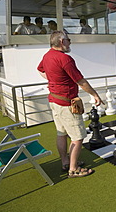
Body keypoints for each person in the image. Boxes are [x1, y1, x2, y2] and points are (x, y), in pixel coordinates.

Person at [37, 30, 104, 178]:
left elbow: (40, 70)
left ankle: (65, 162)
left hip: (54, 101)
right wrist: (95, 95)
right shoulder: (65, 59)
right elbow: (80, 81)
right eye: (68, 40)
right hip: (67, 104)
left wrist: (54, 80)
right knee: (78, 137)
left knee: (61, 133)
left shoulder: (47, 55)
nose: (70, 42)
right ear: (62, 42)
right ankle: (73, 169)